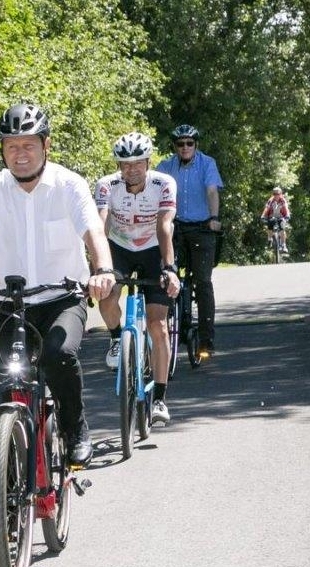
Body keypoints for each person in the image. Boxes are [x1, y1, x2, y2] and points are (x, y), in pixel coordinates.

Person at [0, 104, 116, 468]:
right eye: (11, 146)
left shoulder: (69, 185)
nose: (20, 153)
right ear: (2, 150)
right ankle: (5, 482)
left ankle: (75, 428)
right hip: (9, 304)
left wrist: (103, 269)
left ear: (46, 145)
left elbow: (93, 231)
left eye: (28, 144)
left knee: (57, 355)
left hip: (62, 299)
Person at [95, 132, 179, 423]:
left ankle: (160, 399)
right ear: (118, 165)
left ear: (148, 162)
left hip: (154, 249)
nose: (131, 169)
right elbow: (101, 227)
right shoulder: (107, 185)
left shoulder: (163, 184)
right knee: (106, 294)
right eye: (125, 164)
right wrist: (97, 269)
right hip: (120, 248)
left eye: (137, 163)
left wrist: (169, 268)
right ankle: (117, 338)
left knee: (158, 325)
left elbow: (164, 226)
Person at [155, 124, 224, 356]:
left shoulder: (207, 163)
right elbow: (152, 189)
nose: (185, 147)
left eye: (189, 143)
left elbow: (212, 191)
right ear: (174, 146)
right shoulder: (166, 167)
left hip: (201, 227)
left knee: (203, 282)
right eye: (180, 144)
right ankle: (160, 332)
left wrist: (214, 218)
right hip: (174, 228)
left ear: (196, 145)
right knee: (165, 276)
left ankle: (206, 340)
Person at [260, 186, 291, 254]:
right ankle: (269, 239)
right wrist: (263, 216)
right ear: (273, 194)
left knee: (282, 227)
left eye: (278, 194)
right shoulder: (270, 200)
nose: (276, 196)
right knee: (270, 223)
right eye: (274, 194)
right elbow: (266, 209)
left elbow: (286, 208)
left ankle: (283, 245)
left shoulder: (283, 200)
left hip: (281, 216)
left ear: (281, 194)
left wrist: (287, 216)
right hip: (272, 216)